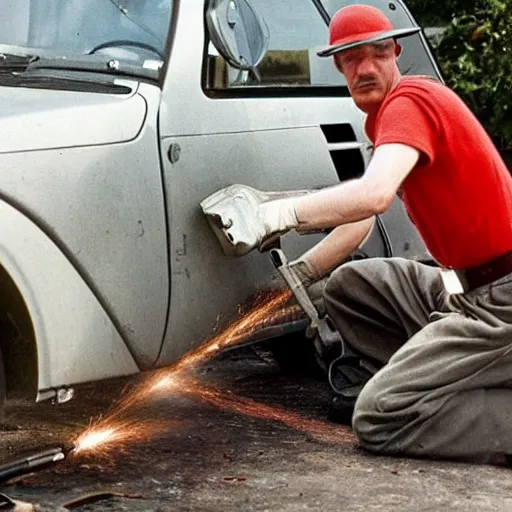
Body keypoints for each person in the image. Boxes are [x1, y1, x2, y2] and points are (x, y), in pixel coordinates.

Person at [203, 4, 512, 463]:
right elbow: (362, 216)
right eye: (352, 57)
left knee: (379, 416)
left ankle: (446, 400)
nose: (365, 67)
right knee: (349, 286)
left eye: (378, 53)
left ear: (396, 53)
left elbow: (373, 195)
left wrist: (275, 215)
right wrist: (300, 276)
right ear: (338, 65)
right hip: (464, 292)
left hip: (500, 305)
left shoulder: (410, 101)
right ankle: (439, 375)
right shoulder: (392, 114)